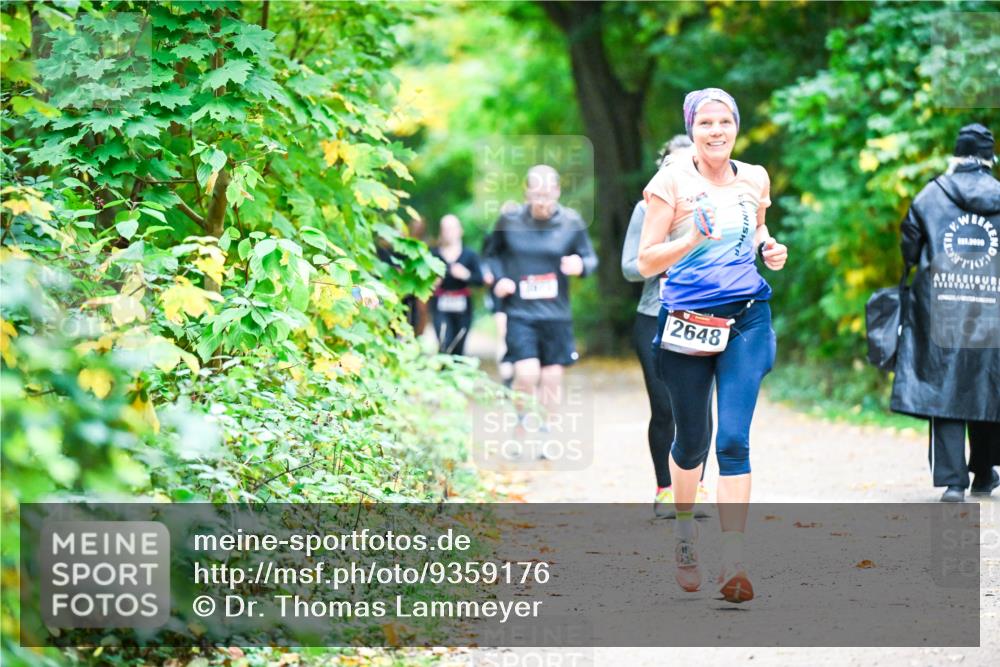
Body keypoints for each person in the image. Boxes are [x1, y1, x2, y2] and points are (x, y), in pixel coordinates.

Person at [637, 88, 787, 603]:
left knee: (734, 441)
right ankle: (684, 533)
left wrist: (768, 246)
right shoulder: (670, 181)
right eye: (706, 123)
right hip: (687, 321)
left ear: (736, 127)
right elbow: (646, 262)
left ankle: (733, 560)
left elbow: (759, 226)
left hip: (747, 316)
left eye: (725, 121)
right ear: (692, 130)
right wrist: (691, 239)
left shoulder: (754, 178)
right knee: (692, 441)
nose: (716, 130)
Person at [890, 123, 1000, 503]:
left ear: (956, 155)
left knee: (946, 385)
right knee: (988, 382)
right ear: (989, 157)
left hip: (941, 305)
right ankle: (984, 475)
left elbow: (909, 247)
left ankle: (954, 483)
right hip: (994, 307)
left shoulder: (930, 196)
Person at [622, 135, 711, 518]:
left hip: (700, 318)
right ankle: (664, 488)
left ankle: (697, 490)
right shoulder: (646, 209)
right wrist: (667, 262)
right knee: (664, 408)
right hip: (653, 317)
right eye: (671, 166)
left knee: (700, 408)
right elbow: (629, 267)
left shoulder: (710, 206)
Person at [486, 165, 598, 422]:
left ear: (557, 191)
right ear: (526, 193)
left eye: (547, 194)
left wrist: (580, 266)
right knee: (526, 373)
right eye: (536, 194)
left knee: (551, 378)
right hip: (519, 312)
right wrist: (499, 279)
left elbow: (590, 258)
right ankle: (522, 422)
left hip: (555, 314)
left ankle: (546, 432)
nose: (542, 200)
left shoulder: (571, 222)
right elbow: (491, 255)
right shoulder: (509, 220)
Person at [430, 214, 483, 355]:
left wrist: (466, 275)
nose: (449, 232)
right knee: (444, 342)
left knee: (459, 346)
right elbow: (422, 282)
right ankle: (443, 374)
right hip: (440, 303)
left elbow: (480, 280)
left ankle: (457, 374)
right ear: (441, 232)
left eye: (452, 228)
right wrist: (433, 282)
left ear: (460, 230)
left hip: (463, 305)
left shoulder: (470, 254)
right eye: (445, 229)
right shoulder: (433, 255)